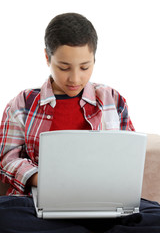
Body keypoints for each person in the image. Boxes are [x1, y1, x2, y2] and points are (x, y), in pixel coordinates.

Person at [0, 12, 160, 233]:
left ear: (94, 58)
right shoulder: (22, 103)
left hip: (103, 203)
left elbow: (129, 156)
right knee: (4, 214)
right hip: (41, 204)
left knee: (156, 216)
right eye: (64, 67)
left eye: (84, 67)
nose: (75, 78)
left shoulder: (112, 98)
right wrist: (43, 179)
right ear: (47, 58)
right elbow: (7, 159)